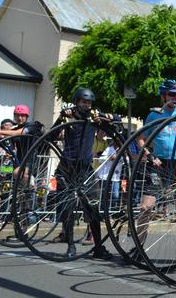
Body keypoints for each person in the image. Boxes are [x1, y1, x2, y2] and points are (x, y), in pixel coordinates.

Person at [50, 88, 113, 259]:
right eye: (83, 102)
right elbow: (51, 136)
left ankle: (98, 248)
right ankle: (71, 246)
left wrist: (108, 117)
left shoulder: (94, 117)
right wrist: (62, 117)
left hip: (85, 169)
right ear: (76, 102)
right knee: (68, 209)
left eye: (89, 102)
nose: (86, 105)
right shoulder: (68, 116)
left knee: (93, 209)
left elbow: (116, 123)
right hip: (67, 168)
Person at [135, 79, 176, 262]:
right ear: (163, 96)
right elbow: (141, 139)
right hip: (159, 163)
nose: (175, 98)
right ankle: (139, 247)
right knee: (146, 207)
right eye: (171, 94)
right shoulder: (154, 115)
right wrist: (150, 155)